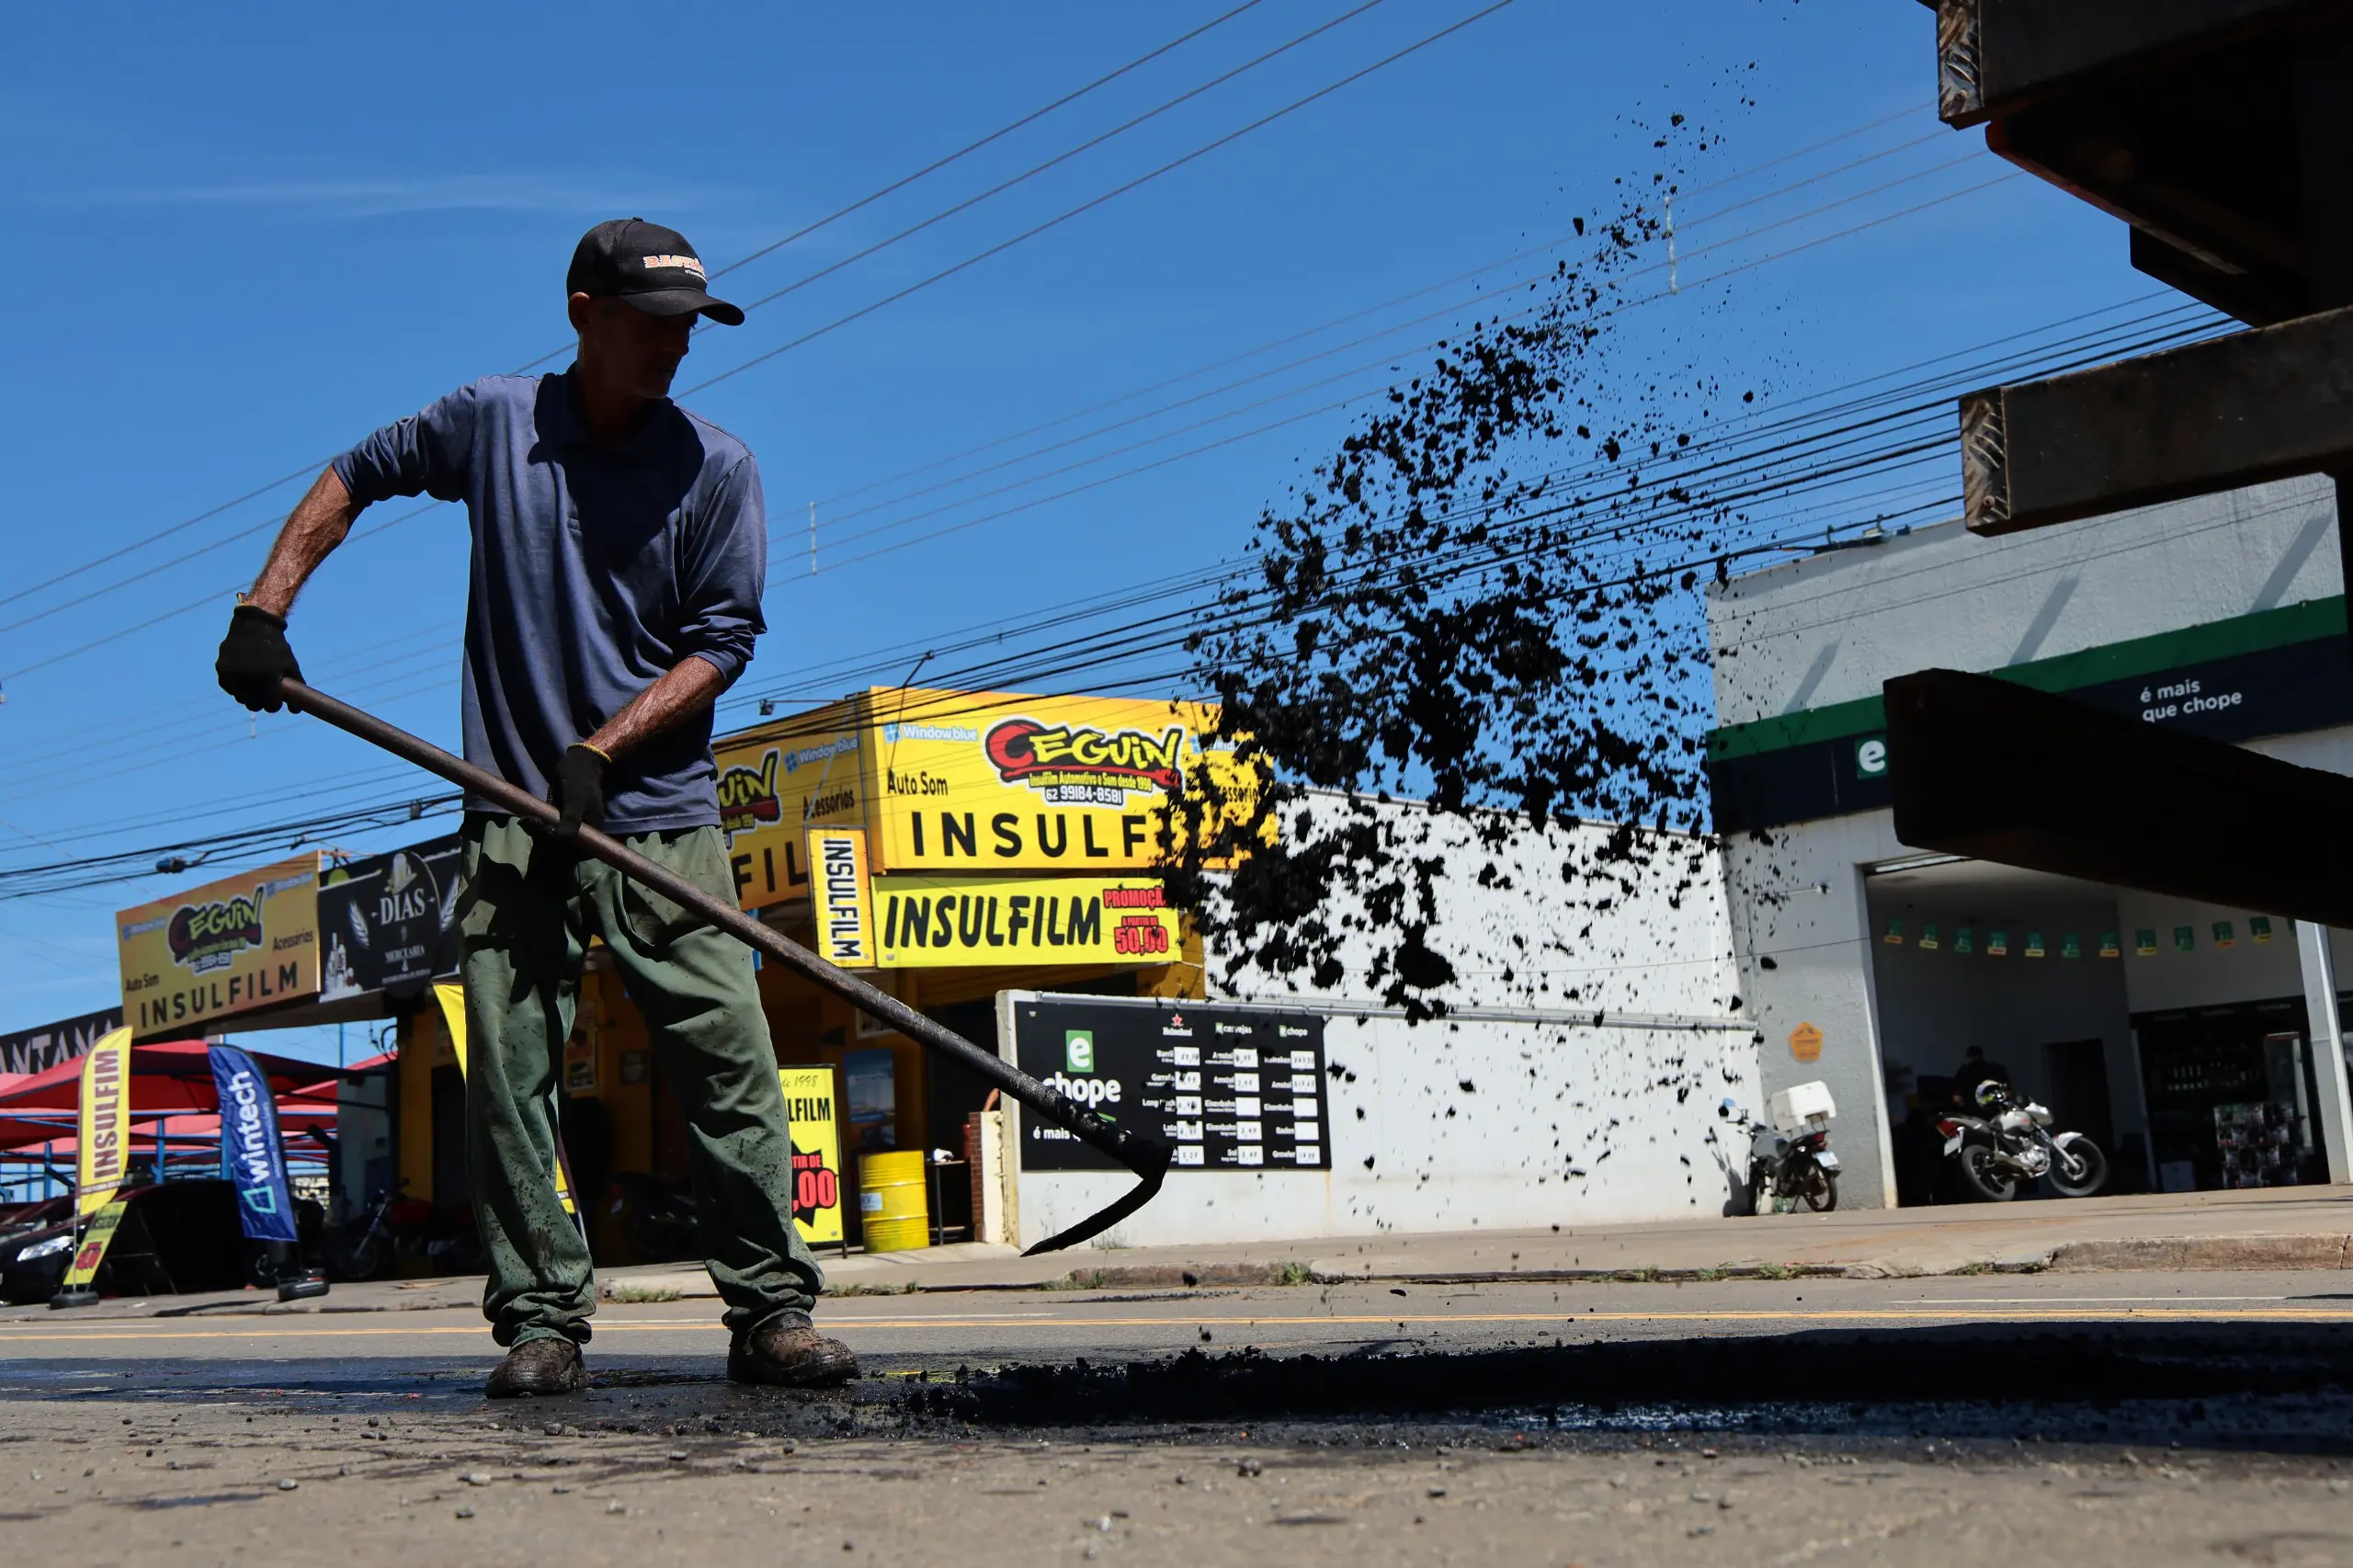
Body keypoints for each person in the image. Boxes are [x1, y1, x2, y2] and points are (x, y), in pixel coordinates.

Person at [215, 219, 854, 1397]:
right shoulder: (492, 422)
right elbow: (355, 473)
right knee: (509, 1074)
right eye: (652, 324)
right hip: (514, 808)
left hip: (659, 807)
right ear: (583, 310)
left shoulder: (717, 467)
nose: (674, 348)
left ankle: (772, 1309)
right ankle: (542, 1321)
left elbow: (722, 643)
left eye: (688, 330)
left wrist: (602, 750)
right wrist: (267, 607)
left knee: (730, 1062)